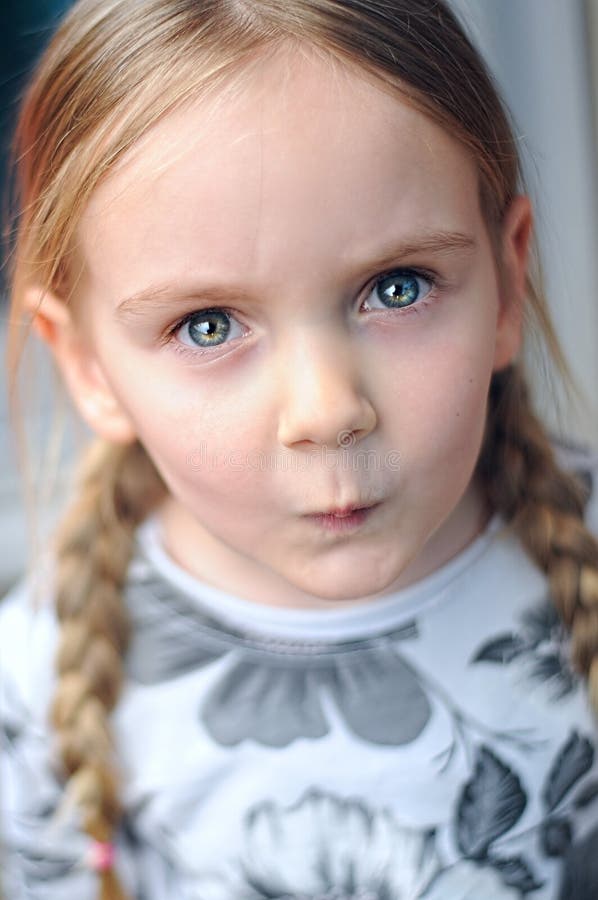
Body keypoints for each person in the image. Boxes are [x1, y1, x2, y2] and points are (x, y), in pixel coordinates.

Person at [2, 0, 598, 897]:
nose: (327, 411)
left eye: (398, 287)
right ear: (87, 365)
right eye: (207, 325)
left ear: (509, 282)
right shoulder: (35, 687)